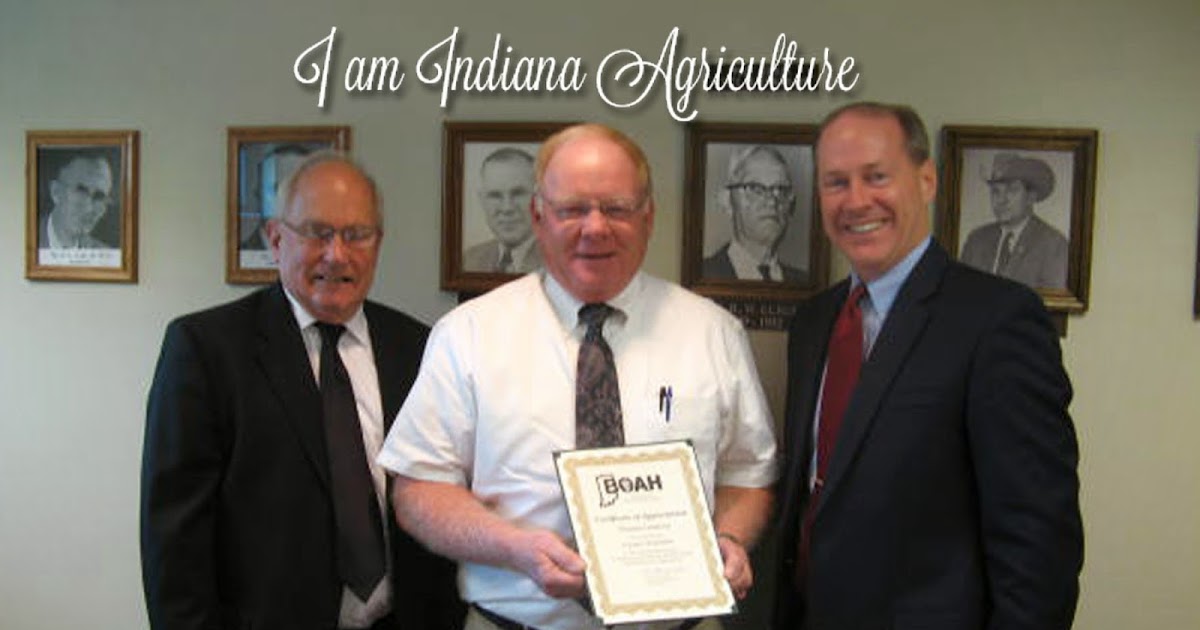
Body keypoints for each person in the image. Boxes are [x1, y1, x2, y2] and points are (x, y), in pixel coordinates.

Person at [379, 124, 778, 630]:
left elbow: (748, 474)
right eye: (572, 209)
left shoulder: (713, 332)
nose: (595, 228)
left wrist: (732, 538)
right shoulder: (468, 335)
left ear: (648, 216)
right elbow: (419, 488)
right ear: (538, 216)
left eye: (616, 208)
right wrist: (515, 548)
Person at [772, 103, 1082, 629]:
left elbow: (1037, 538)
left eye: (876, 177)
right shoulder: (814, 322)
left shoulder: (998, 319)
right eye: (835, 182)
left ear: (926, 179)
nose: (856, 200)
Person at [140, 153, 464, 630]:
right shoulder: (207, 349)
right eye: (317, 232)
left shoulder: (420, 347)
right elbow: (174, 537)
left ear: (377, 244)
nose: (337, 254)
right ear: (275, 238)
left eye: (356, 235)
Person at [959, 152, 1069, 289]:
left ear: (1031, 197)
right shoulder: (976, 240)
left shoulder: (1053, 245)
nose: (1002, 200)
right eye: (995, 191)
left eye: (1012, 190)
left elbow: (1053, 304)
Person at [702, 145, 807, 283]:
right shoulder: (704, 275)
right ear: (728, 201)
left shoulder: (804, 283)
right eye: (755, 188)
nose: (771, 202)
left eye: (781, 189)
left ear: (791, 205)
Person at [461, 147, 543, 273]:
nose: (507, 208)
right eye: (495, 195)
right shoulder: (469, 260)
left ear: (538, 197)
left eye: (518, 193)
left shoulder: (560, 262)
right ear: (482, 200)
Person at [241, 144, 313, 251]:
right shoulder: (244, 252)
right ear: (258, 195)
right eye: (276, 189)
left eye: (298, 190)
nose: (288, 200)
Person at [39, 153, 117, 249]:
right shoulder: (20, 239)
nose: (89, 208)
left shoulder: (106, 255)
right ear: (56, 192)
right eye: (81, 192)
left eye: (99, 197)